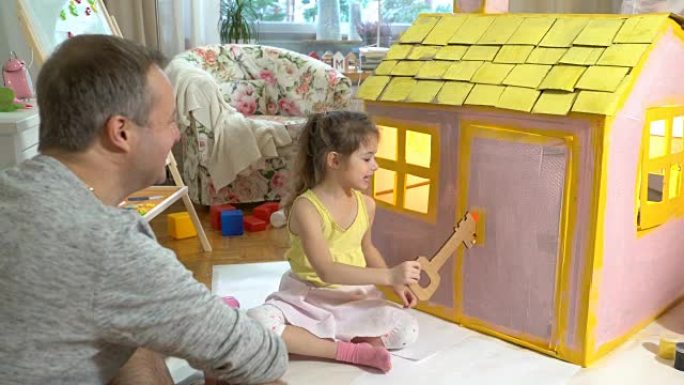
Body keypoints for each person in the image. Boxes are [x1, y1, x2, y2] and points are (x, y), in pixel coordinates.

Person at [0, 35, 287, 385]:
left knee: (132, 328)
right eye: (169, 121)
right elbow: (261, 357)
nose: (176, 136)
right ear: (121, 132)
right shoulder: (104, 241)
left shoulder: (14, 189)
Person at [247, 111, 422, 373]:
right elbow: (325, 270)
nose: (375, 166)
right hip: (309, 297)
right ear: (334, 160)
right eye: (367, 158)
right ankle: (346, 350)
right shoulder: (307, 208)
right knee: (258, 322)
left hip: (352, 296)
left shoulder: (367, 206)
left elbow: (367, 248)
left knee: (407, 330)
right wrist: (388, 274)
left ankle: (343, 338)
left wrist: (395, 282)